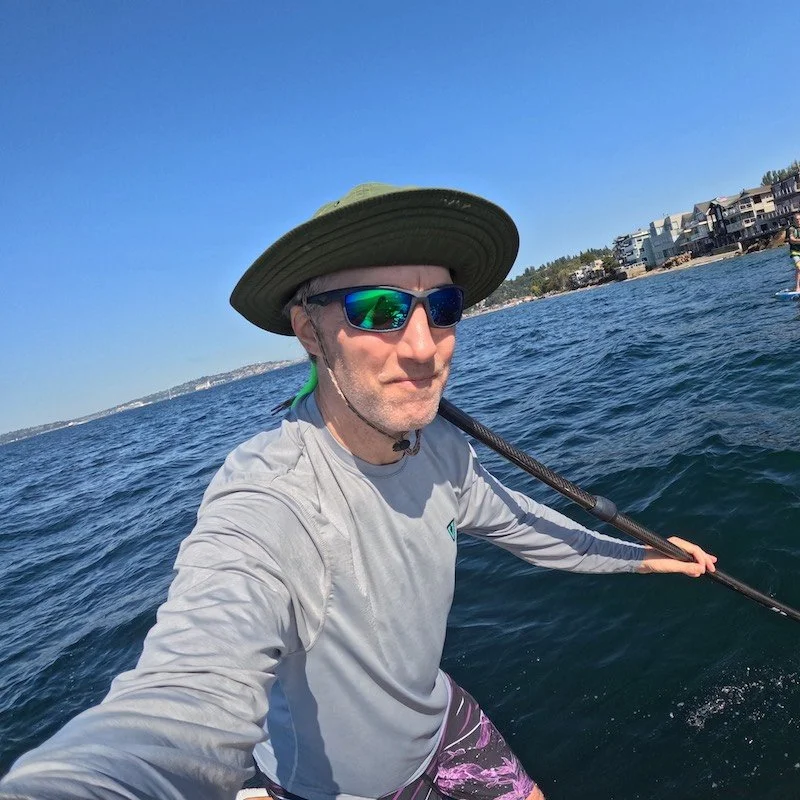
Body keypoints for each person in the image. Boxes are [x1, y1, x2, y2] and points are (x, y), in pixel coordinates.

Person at [0, 183, 716, 800]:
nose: (421, 345)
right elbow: (181, 699)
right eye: (377, 309)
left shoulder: (442, 451)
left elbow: (527, 524)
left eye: (440, 305)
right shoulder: (269, 497)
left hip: (446, 727)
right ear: (311, 332)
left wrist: (641, 555)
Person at [787, 211, 800, 292]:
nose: (798, 221)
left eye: (799, 219)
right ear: (794, 221)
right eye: (797, 219)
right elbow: (792, 240)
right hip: (795, 252)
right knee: (799, 267)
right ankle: (798, 287)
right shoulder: (791, 229)